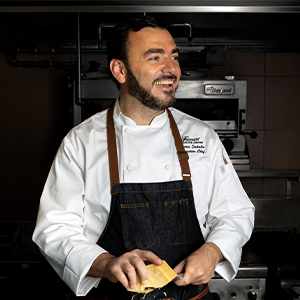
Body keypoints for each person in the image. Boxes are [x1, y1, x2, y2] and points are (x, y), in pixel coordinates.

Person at [32, 16, 255, 300]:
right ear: (120, 70)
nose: (171, 69)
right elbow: (55, 229)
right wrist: (107, 264)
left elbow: (236, 212)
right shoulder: (81, 142)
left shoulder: (202, 137)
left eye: (174, 57)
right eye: (155, 57)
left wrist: (212, 252)